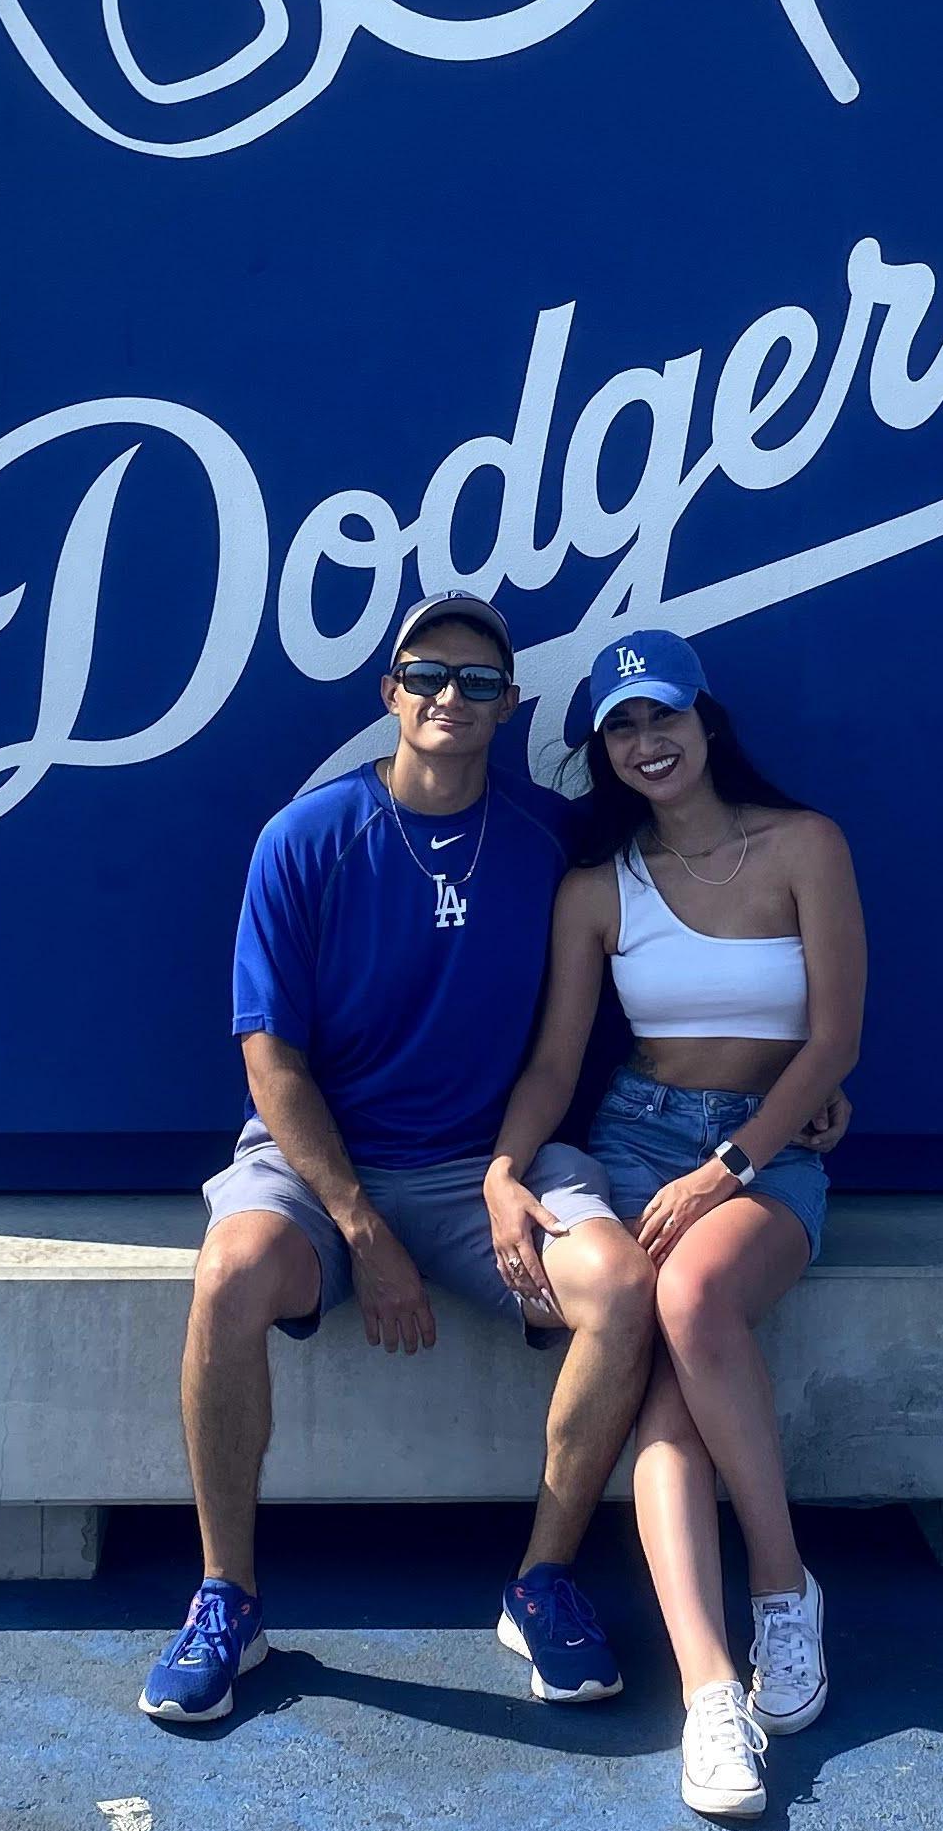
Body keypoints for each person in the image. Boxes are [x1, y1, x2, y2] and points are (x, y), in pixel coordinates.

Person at [142, 595, 667, 1728]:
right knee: (230, 1273)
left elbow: (620, 995)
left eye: (479, 684)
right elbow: (268, 1062)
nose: (450, 698)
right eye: (427, 675)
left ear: (510, 707)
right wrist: (360, 1227)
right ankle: (225, 1597)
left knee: (621, 1288)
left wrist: (793, 1092)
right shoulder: (306, 838)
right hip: (317, 1163)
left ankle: (542, 1583)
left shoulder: (547, 848)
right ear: (389, 693)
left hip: (484, 1167)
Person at [487, 628, 864, 1822]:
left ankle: (781, 1585)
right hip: (631, 1136)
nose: (647, 745)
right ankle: (709, 1695)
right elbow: (557, 1062)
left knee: (696, 1300)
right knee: (657, 1371)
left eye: (663, 718)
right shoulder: (597, 889)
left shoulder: (807, 845)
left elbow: (834, 1044)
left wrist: (731, 1165)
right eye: (621, 731)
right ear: (604, 754)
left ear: (706, 722)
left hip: (765, 1149)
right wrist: (505, 1166)